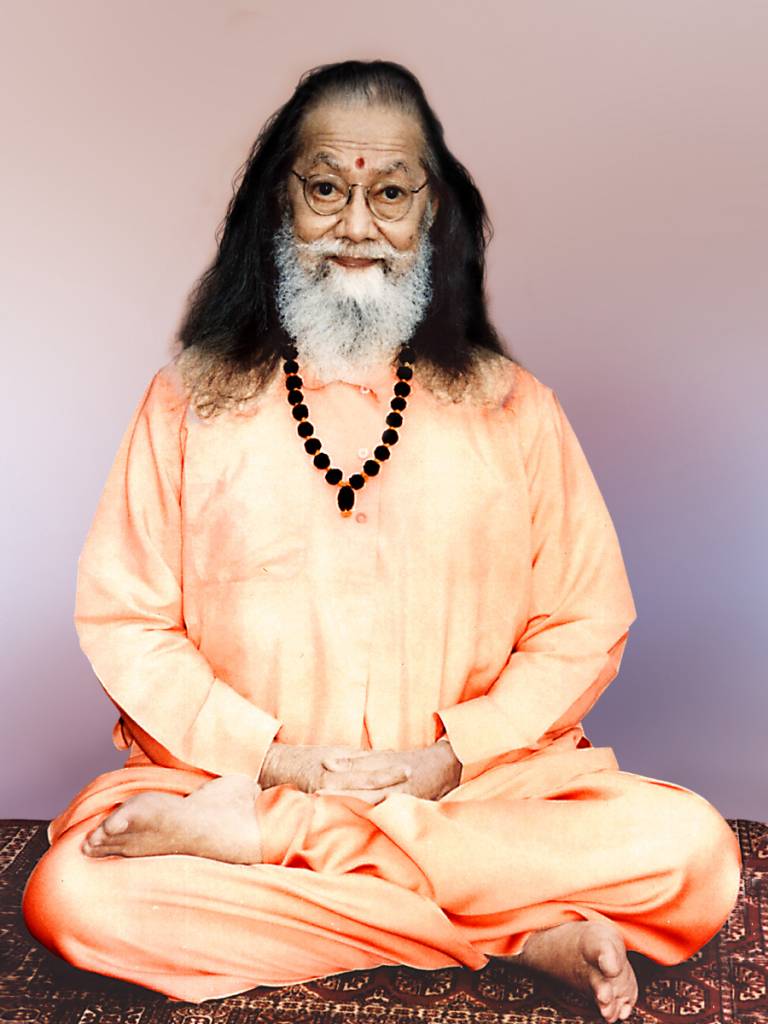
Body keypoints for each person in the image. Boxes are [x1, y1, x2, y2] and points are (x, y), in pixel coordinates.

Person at [22, 59, 741, 1024]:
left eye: (390, 194)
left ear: (431, 213)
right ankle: (512, 931)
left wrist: (450, 757)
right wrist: (273, 765)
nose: (357, 226)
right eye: (327, 189)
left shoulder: (515, 409)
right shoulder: (187, 403)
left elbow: (583, 621)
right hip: (231, 779)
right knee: (78, 898)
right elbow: (129, 621)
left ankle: (279, 848)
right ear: (279, 205)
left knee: (695, 855)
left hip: (475, 793)